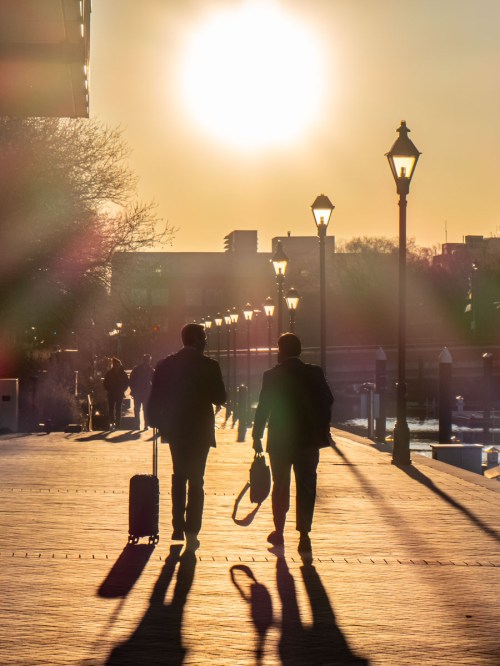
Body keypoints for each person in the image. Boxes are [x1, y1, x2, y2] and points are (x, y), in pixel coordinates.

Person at [252, 333, 333, 554]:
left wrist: (257, 435)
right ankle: (304, 535)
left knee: (280, 486)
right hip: (308, 441)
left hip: (280, 441)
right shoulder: (314, 373)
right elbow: (328, 400)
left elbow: (264, 408)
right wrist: (322, 428)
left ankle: (279, 532)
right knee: (306, 486)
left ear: (281, 350)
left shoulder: (272, 376)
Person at [147, 323, 226, 547]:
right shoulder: (210, 365)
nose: (206, 340)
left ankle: (177, 526)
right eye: (204, 337)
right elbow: (220, 397)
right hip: (200, 430)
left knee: (179, 475)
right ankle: (192, 530)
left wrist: (155, 421)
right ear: (196, 339)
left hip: (176, 429)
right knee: (196, 479)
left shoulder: (166, 365)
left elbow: (155, 397)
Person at [103, 357, 129, 430]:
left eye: (118, 364)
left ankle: (118, 424)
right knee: (111, 408)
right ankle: (112, 422)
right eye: (115, 364)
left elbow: (126, 383)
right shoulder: (109, 373)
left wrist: (122, 390)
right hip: (111, 393)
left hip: (119, 393)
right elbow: (105, 383)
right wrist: (109, 389)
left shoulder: (122, 373)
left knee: (118, 409)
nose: (117, 366)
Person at [129, 354, 154, 430]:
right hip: (140, 392)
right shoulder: (140, 369)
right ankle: (139, 425)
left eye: (148, 360)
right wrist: (133, 390)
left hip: (144, 392)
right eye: (147, 360)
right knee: (139, 409)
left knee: (142, 409)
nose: (148, 362)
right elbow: (132, 380)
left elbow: (154, 381)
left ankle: (143, 425)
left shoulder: (148, 370)